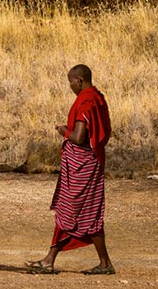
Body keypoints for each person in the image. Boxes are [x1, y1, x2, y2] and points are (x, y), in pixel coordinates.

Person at [26, 64, 114, 275]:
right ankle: (55, 259)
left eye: (71, 82)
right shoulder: (98, 98)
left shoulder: (85, 101)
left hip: (82, 165)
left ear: (80, 80)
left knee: (75, 211)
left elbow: (79, 137)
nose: (70, 86)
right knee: (80, 212)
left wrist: (63, 130)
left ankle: (101, 263)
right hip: (91, 162)